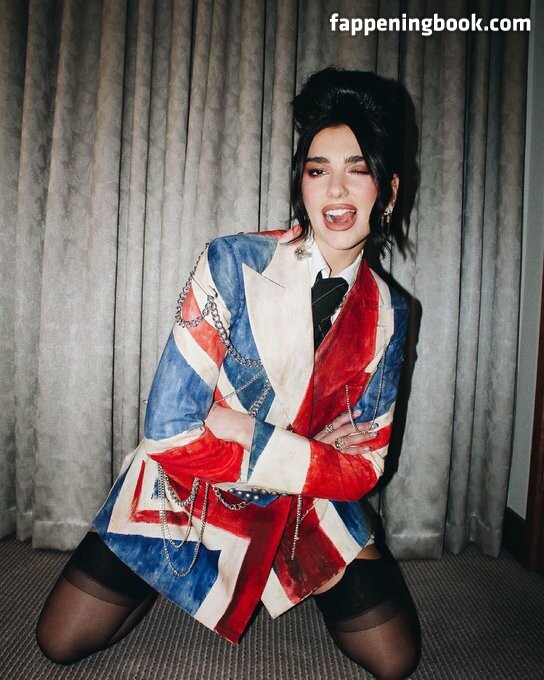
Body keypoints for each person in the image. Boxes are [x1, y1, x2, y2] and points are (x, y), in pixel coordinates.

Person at [36, 66, 420, 680]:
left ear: (389, 189)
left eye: (358, 169)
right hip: (186, 488)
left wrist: (244, 429)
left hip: (303, 505)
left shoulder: (393, 314)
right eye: (317, 170)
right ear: (300, 183)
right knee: (59, 641)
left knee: (395, 659)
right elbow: (169, 430)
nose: (336, 190)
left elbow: (365, 469)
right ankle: (168, 574)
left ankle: (238, 570)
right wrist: (312, 454)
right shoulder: (233, 261)